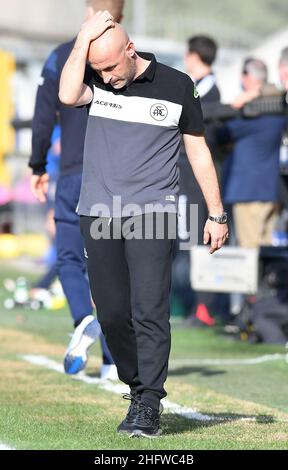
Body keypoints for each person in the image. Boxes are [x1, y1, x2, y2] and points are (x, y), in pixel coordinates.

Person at [59, 12, 228, 438]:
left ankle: (149, 402)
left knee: (149, 309)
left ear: (130, 50)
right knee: (113, 313)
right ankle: (137, 387)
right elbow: (66, 94)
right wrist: (84, 40)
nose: (108, 77)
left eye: (112, 66)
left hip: (153, 212)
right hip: (98, 212)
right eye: (100, 69)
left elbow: (199, 152)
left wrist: (216, 213)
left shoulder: (177, 86)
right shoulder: (95, 80)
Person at [29, 0, 125, 379]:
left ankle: (84, 319)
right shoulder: (127, 54)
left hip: (72, 173)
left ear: (89, 11)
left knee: (70, 258)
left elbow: (42, 115)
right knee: (110, 268)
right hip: (115, 176)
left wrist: (38, 165)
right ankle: (113, 362)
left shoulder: (61, 54)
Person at [176, 35, 222, 326]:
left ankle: (202, 308)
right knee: (183, 244)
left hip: (194, 183)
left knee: (189, 244)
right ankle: (193, 306)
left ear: (193, 56)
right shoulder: (199, 87)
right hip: (186, 181)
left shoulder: (208, 91)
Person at [220, 58, 287, 248]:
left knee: (250, 251)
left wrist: (235, 106)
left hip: (249, 192)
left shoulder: (252, 112)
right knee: (267, 250)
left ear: (248, 78)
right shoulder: (278, 108)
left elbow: (221, 134)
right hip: (272, 190)